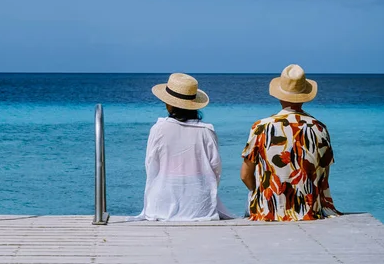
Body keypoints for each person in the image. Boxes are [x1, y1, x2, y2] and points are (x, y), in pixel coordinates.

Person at [240, 64, 340, 221]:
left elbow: (245, 175)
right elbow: (323, 176)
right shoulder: (319, 128)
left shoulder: (261, 127)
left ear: (279, 95)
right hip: (309, 210)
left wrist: (258, 193)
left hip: (269, 209)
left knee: (251, 201)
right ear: (305, 96)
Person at [136, 73, 233, 221]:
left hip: (162, 205)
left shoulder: (159, 129)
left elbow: (151, 166)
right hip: (200, 206)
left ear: (169, 104)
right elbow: (216, 169)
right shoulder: (206, 131)